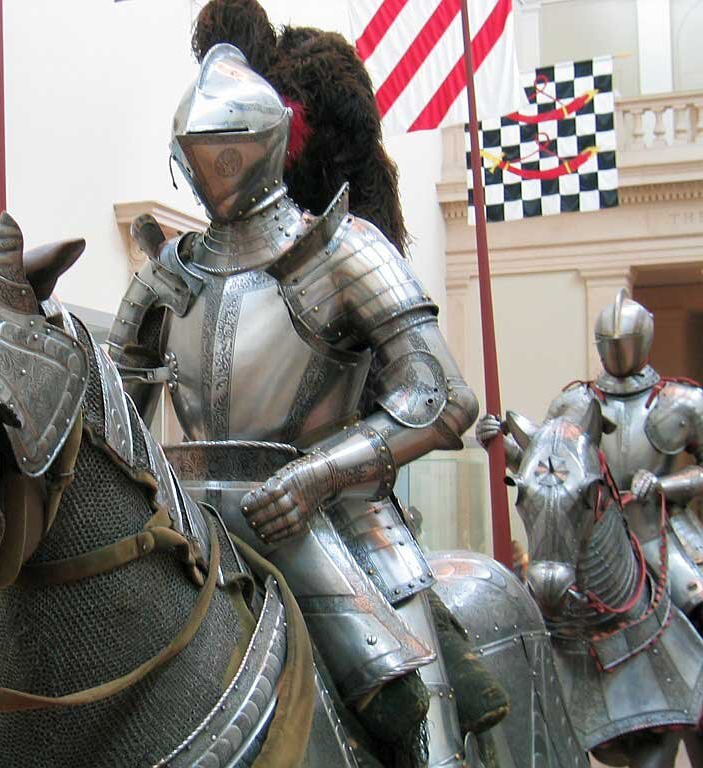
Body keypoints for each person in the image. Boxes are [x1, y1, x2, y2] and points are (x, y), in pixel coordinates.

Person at [108, 42, 507, 767]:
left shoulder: (344, 251)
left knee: (419, 726)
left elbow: (442, 396)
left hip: (340, 526)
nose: (217, 166)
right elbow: (113, 415)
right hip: (188, 529)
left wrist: (317, 475)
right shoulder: (167, 275)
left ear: (269, 144)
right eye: (203, 150)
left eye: (229, 147)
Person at [478, 289, 703, 629]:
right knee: (541, 616)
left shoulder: (682, 400)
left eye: (624, 343)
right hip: (590, 543)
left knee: (696, 601)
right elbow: (547, 476)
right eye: (610, 344)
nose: (618, 351)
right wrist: (500, 444)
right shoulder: (575, 402)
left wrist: (662, 485)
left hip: (658, 533)